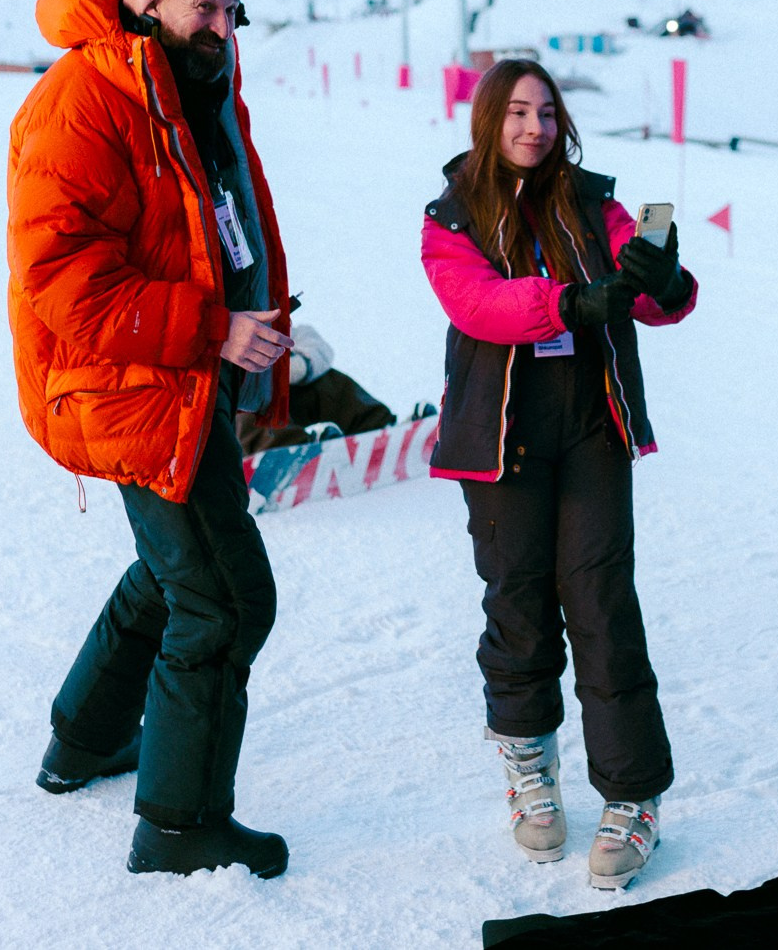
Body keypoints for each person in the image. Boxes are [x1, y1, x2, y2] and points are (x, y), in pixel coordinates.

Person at [6, 0, 298, 877]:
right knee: (224, 597)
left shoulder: (191, 90)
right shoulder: (89, 96)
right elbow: (65, 282)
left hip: (182, 376)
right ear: (150, 2)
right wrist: (213, 329)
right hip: (127, 382)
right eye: (202, 6)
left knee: (173, 566)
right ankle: (180, 824)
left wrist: (245, 343)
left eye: (230, 10)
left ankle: (84, 738)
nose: (220, 26)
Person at [420, 58, 698, 892]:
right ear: (488, 120)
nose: (534, 127)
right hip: (500, 434)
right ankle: (530, 768)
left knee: (603, 601)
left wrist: (661, 277)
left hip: (588, 425)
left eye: (546, 111)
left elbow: (649, 292)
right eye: (516, 112)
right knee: (519, 599)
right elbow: (474, 303)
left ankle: (633, 798)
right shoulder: (450, 215)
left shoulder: (596, 202)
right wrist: (563, 303)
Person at [234, 322, 427, 455]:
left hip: (285, 405)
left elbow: (314, 345)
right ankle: (286, 454)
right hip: (237, 431)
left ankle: (379, 431)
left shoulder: (271, 324)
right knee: (248, 396)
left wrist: (297, 367)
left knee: (325, 381)